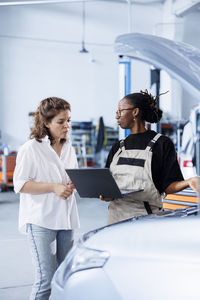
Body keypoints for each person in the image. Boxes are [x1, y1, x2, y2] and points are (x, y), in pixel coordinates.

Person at [13, 97, 80, 300]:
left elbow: (72, 176)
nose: (67, 126)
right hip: (41, 221)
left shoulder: (69, 146)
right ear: (46, 123)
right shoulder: (30, 148)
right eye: (61, 121)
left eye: (68, 120)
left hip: (66, 219)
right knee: (45, 281)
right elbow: (20, 184)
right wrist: (53, 187)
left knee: (65, 278)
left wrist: (73, 184)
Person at [100, 90, 199, 225]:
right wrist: (106, 195)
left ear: (135, 112)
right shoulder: (118, 147)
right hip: (115, 219)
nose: (117, 116)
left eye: (120, 111)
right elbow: (109, 185)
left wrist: (189, 181)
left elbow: (168, 186)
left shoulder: (162, 144)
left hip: (146, 219)